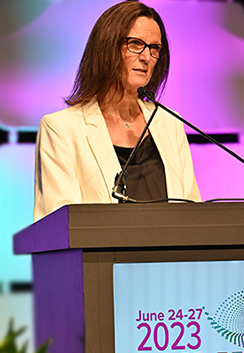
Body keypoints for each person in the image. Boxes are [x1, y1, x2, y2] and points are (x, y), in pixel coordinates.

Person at [34, 0, 201, 221]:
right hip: (103, 256)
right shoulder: (62, 129)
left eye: (154, 48)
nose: (146, 57)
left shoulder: (169, 123)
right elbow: (59, 226)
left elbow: (194, 215)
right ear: (106, 47)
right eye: (135, 43)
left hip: (168, 256)